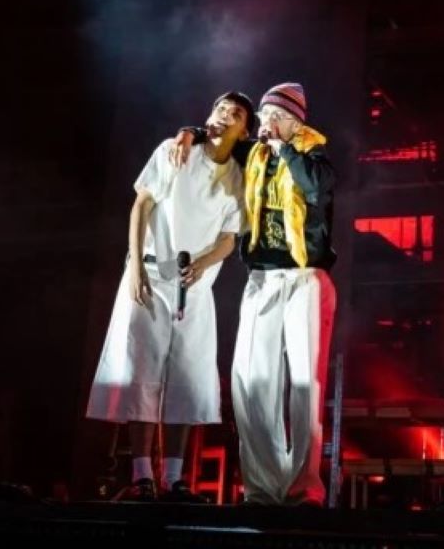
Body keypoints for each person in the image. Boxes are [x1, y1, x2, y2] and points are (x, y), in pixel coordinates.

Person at [173, 83, 336, 506]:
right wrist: (190, 131)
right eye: (261, 118)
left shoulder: (313, 156)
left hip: (305, 278)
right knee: (250, 381)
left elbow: (316, 189)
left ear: (292, 121)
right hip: (262, 279)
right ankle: (263, 487)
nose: (264, 125)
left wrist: (284, 148)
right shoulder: (255, 154)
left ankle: (304, 488)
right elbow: (222, 143)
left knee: (304, 385)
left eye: (271, 117)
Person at [86, 92, 252, 502]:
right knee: (143, 374)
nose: (223, 117)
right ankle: (142, 474)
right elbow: (141, 205)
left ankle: (173, 479)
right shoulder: (174, 151)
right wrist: (135, 268)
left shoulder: (238, 177)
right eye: (218, 109)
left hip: (195, 290)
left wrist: (202, 262)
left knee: (185, 379)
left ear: (243, 129)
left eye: (234, 114)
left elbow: (230, 238)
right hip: (150, 277)